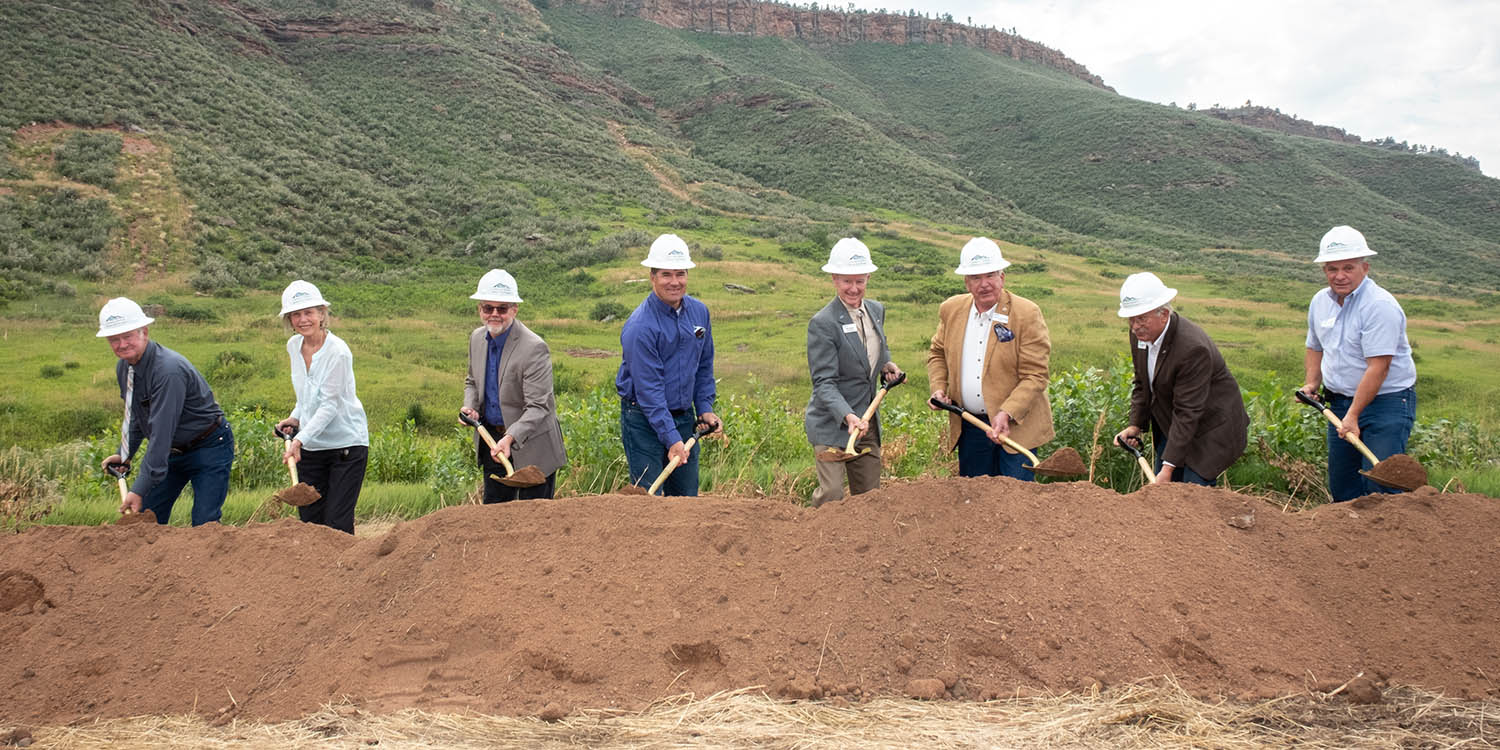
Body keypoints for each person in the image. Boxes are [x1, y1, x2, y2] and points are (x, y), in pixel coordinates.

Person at [1299, 225, 1417, 502]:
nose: (1339, 276)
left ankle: (1387, 544)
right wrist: (1312, 383)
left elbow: (1379, 367)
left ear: (1365, 268)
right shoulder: (1320, 302)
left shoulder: (1379, 306)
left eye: (1348, 268)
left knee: (1382, 487)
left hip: (1385, 405)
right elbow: (1314, 346)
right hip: (1339, 403)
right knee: (1343, 488)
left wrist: (1353, 415)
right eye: (1332, 269)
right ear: (1324, 270)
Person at [97, 297, 233, 526]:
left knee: (204, 524)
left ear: (144, 333)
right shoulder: (125, 368)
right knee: (148, 518)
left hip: (209, 446)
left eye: (128, 336)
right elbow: (135, 418)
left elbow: (161, 433)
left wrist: (138, 489)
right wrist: (125, 453)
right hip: (173, 452)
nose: (122, 344)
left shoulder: (168, 371)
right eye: (114, 339)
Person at [926, 237, 1054, 479]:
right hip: (970, 426)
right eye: (976, 277)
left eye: (990, 276)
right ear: (966, 282)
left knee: (1015, 503)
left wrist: (1006, 412)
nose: (984, 284)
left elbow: (1035, 375)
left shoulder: (1026, 313)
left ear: (1002, 277)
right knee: (975, 502)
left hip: (1017, 427)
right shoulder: (951, 309)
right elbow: (937, 353)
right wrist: (938, 388)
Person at [1111, 272, 1249, 486]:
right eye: (1131, 319)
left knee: (1190, 496)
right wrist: (1135, 425)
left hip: (1209, 431)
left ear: (1164, 314)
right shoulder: (1140, 335)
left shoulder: (1192, 349)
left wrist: (1168, 469)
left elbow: (1188, 412)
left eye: (1141, 318)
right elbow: (1142, 383)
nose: (1135, 326)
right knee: (1166, 495)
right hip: (1173, 423)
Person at [616, 234, 722, 496]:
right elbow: (649, 392)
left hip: (684, 417)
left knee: (685, 499)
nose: (675, 282)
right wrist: (671, 439)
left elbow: (704, 365)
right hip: (643, 420)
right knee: (649, 499)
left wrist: (705, 408)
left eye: (680, 274)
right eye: (666, 275)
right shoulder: (640, 327)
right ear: (652, 277)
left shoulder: (699, 313)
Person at [804, 238, 904, 507]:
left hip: (867, 421)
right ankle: (814, 537)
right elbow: (824, 383)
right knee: (832, 495)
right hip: (833, 423)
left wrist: (887, 364)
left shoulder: (875, 310)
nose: (854, 288)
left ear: (868, 277)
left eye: (860, 281)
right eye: (847, 281)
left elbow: (874, 346)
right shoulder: (823, 323)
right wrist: (847, 415)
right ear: (834, 279)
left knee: (870, 498)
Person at [461, 269, 567, 502]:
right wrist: (469, 407)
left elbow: (538, 407)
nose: (495, 314)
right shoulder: (476, 339)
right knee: (495, 517)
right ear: (480, 309)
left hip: (532, 448)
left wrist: (510, 438)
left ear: (514, 309)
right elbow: (471, 381)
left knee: (535, 522)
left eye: (502, 308)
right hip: (492, 445)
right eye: (488, 308)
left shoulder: (534, 348)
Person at [273, 281, 369, 533]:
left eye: (309, 312)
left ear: (322, 314)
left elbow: (329, 405)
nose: (303, 319)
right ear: (289, 319)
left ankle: (344, 572)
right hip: (313, 447)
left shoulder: (337, 352)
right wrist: (295, 418)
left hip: (345, 447)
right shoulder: (293, 346)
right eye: (296, 314)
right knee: (311, 522)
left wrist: (298, 440)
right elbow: (307, 395)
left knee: (337, 523)